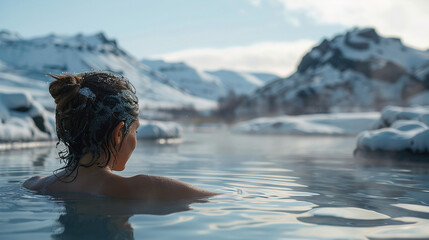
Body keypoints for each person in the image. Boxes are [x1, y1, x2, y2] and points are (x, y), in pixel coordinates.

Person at [23, 72, 217, 199]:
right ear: (118, 133)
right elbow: (220, 199)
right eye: (135, 130)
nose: (135, 140)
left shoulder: (34, 185)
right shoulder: (143, 189)